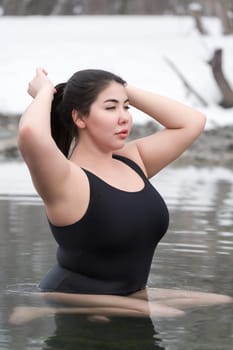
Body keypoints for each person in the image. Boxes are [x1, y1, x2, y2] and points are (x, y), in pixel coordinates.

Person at [10, 67, 232, 324]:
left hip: (129, 293)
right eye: (110, 107)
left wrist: (118, 86)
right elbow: (30, 134)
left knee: (223, 301)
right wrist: (45, 92)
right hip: (72, 293)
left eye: (126, 107)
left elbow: (192, 122)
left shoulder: (132, 160)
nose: (124, 117)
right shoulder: (66, 179)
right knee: (168, 313)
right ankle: (53, 307)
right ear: (79, 118)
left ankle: (109, 308)